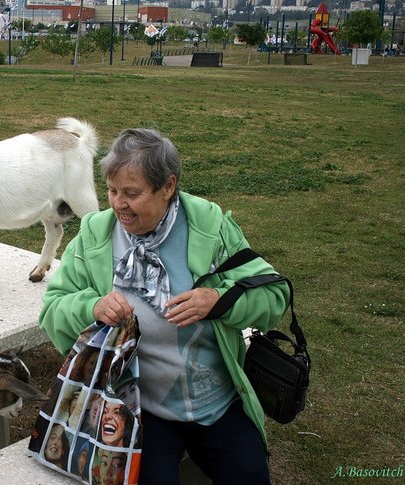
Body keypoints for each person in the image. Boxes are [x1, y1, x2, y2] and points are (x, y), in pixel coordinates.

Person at [39, 128, 290, 484]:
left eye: (132, 193)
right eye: (112, 191)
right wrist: (92, 307)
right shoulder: (96, 234)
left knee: (249, 475)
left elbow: (273, 295)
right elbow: (52, 309)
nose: (118, 204)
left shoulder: (209, 227)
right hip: (140, 408)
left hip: (216, 402)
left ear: (168, 186)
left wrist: (218, 301)